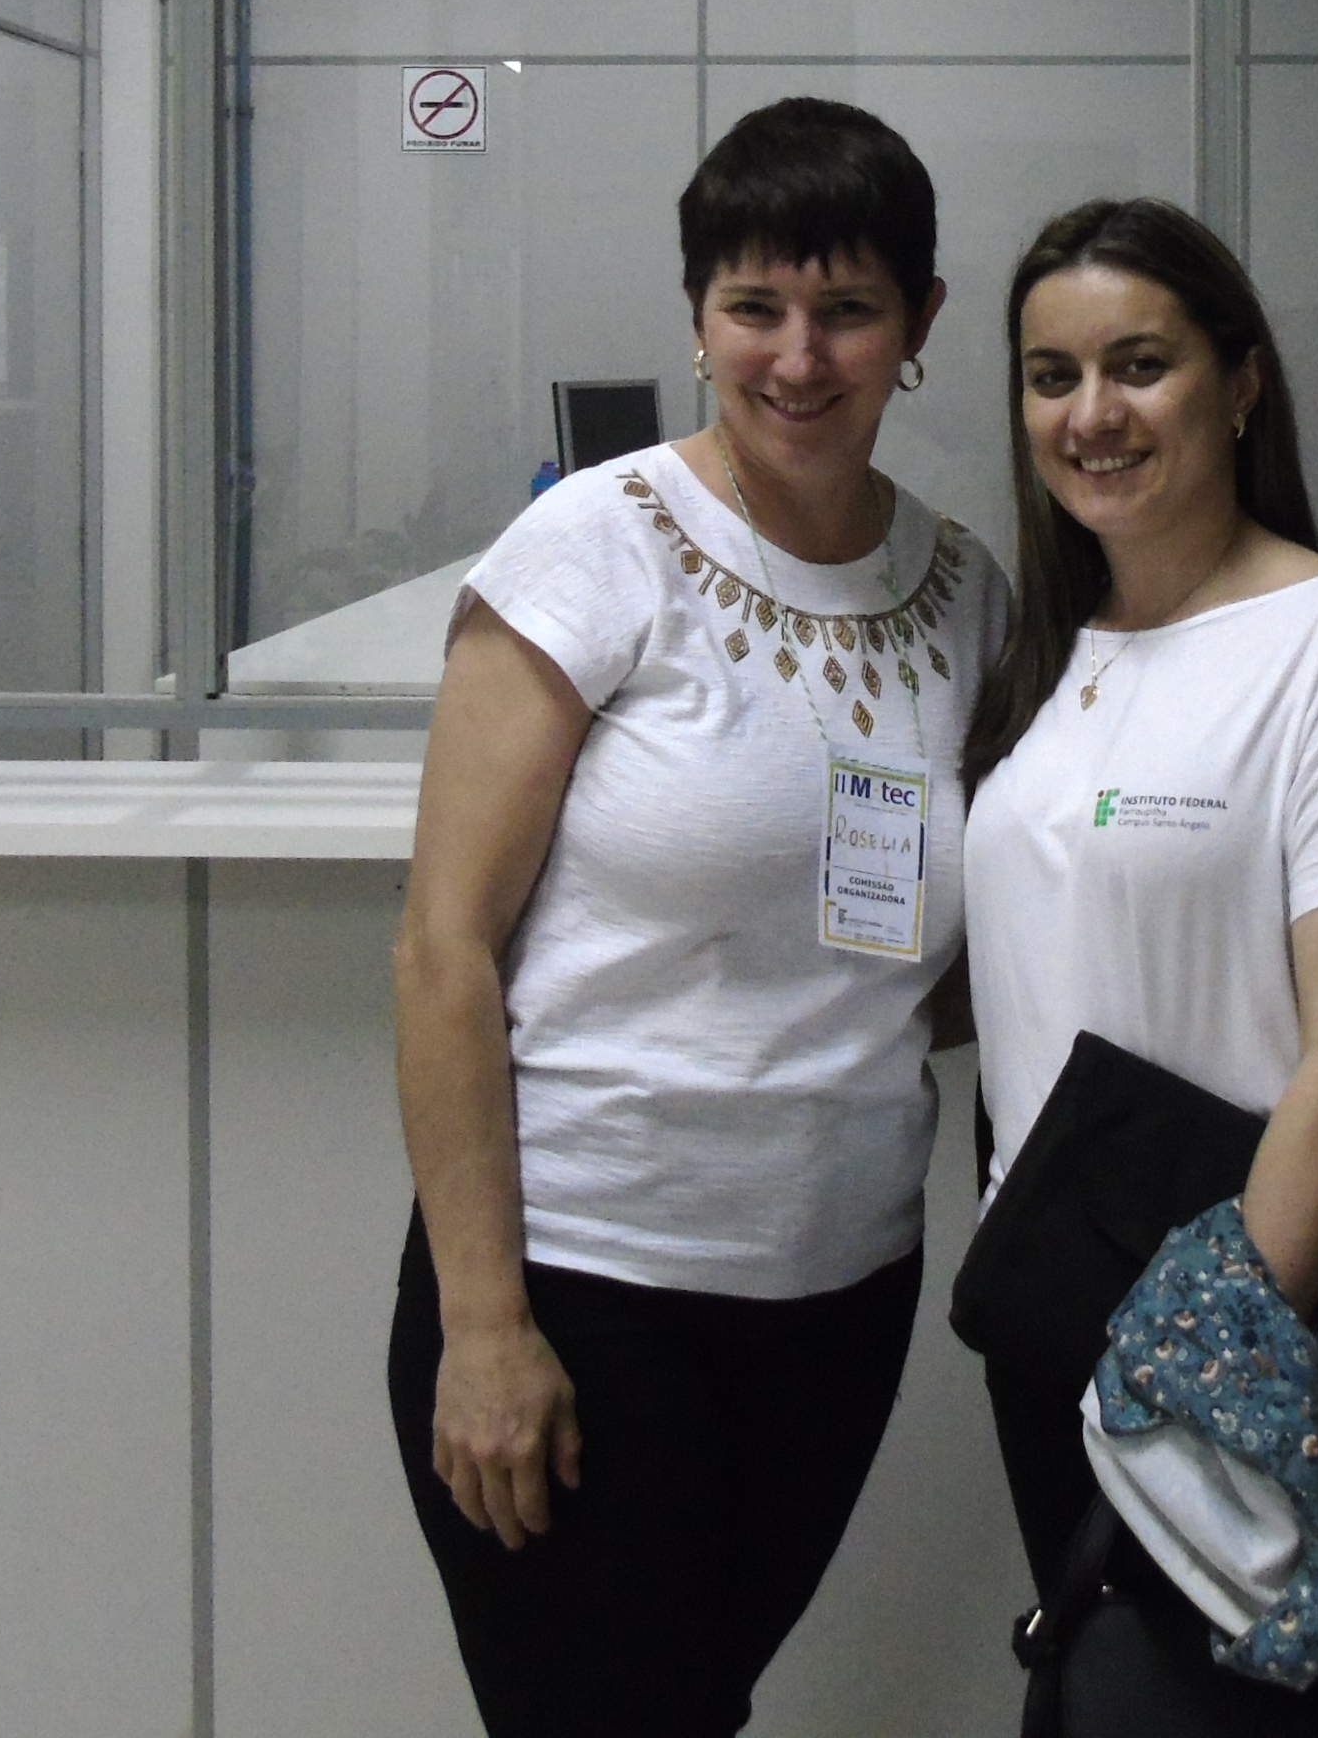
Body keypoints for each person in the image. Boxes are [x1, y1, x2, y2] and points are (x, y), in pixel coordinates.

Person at [389, 96, 1011, 1738]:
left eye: (848, 308)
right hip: (586, 1280)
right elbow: (443, 952)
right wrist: (482, 1324)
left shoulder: (965, 592)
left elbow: (926, 951)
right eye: (755, 307)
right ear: (698, 316)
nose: (798, 357)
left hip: (840, 1289)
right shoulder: (596, 549)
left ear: (921, 325)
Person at [959, 197, 1318, 1725]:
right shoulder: (1053, 655)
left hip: (1256, 1317)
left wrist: (1208, 1370)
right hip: (1053, 1308)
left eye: (1141, 365)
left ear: (1241, 385)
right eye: (1051, 377)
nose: (1092, 415)